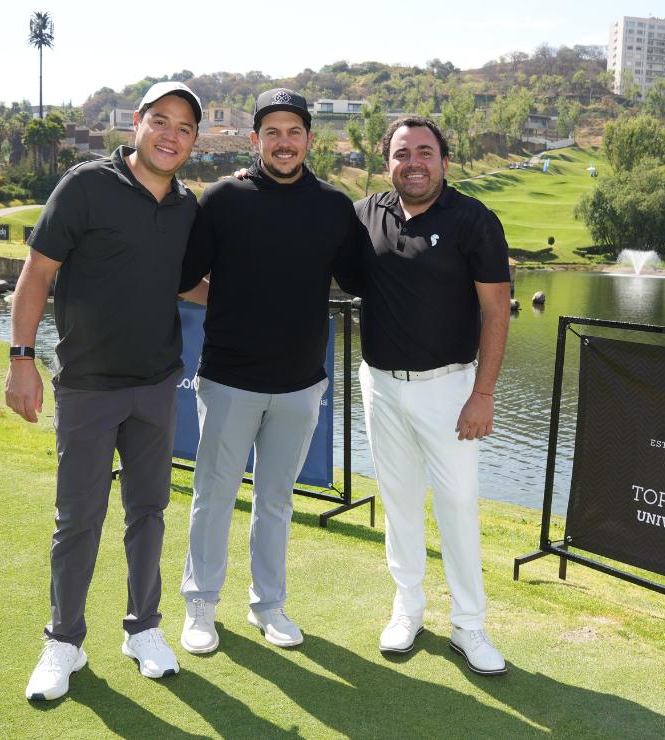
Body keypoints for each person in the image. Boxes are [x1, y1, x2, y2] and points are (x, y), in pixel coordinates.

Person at [7, 81, 202, 701]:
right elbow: (38, 272)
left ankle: (142, 628)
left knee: (149, 513)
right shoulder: (86, 185)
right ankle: (64, 642)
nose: (171, 135)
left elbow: (187, 286)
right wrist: (21, 360)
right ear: (137, 124)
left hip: (157, 386)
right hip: (88, 387)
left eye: (185, 128)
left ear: (194, 141)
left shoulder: (186, 208)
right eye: (161, 121)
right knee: (78, 519)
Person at [175, 88, 362, 655]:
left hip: (302, 383)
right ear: (256, 140)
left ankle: (268, 607)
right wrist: (234, 304)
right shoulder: (223, 199)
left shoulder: (333, 205)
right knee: (214, 495)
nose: (284, 143)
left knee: (276, 501)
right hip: (229, 378)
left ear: (309, 139)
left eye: (294, 132)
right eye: (272, 132)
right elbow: (184, 277)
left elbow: (358, 277)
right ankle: (201, 607)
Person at [354, 117, 511, 675]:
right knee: (397, 502)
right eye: (401, 153)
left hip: (450, 388)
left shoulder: (473, 220)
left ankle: (469, 625)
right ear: (388, 162)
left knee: (459, 506)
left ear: (445, 159)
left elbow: (496, 310)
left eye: (425, 152)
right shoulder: (367, 213)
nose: (413, 162)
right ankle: (409, 608)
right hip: (380, 384)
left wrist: (483, 393)